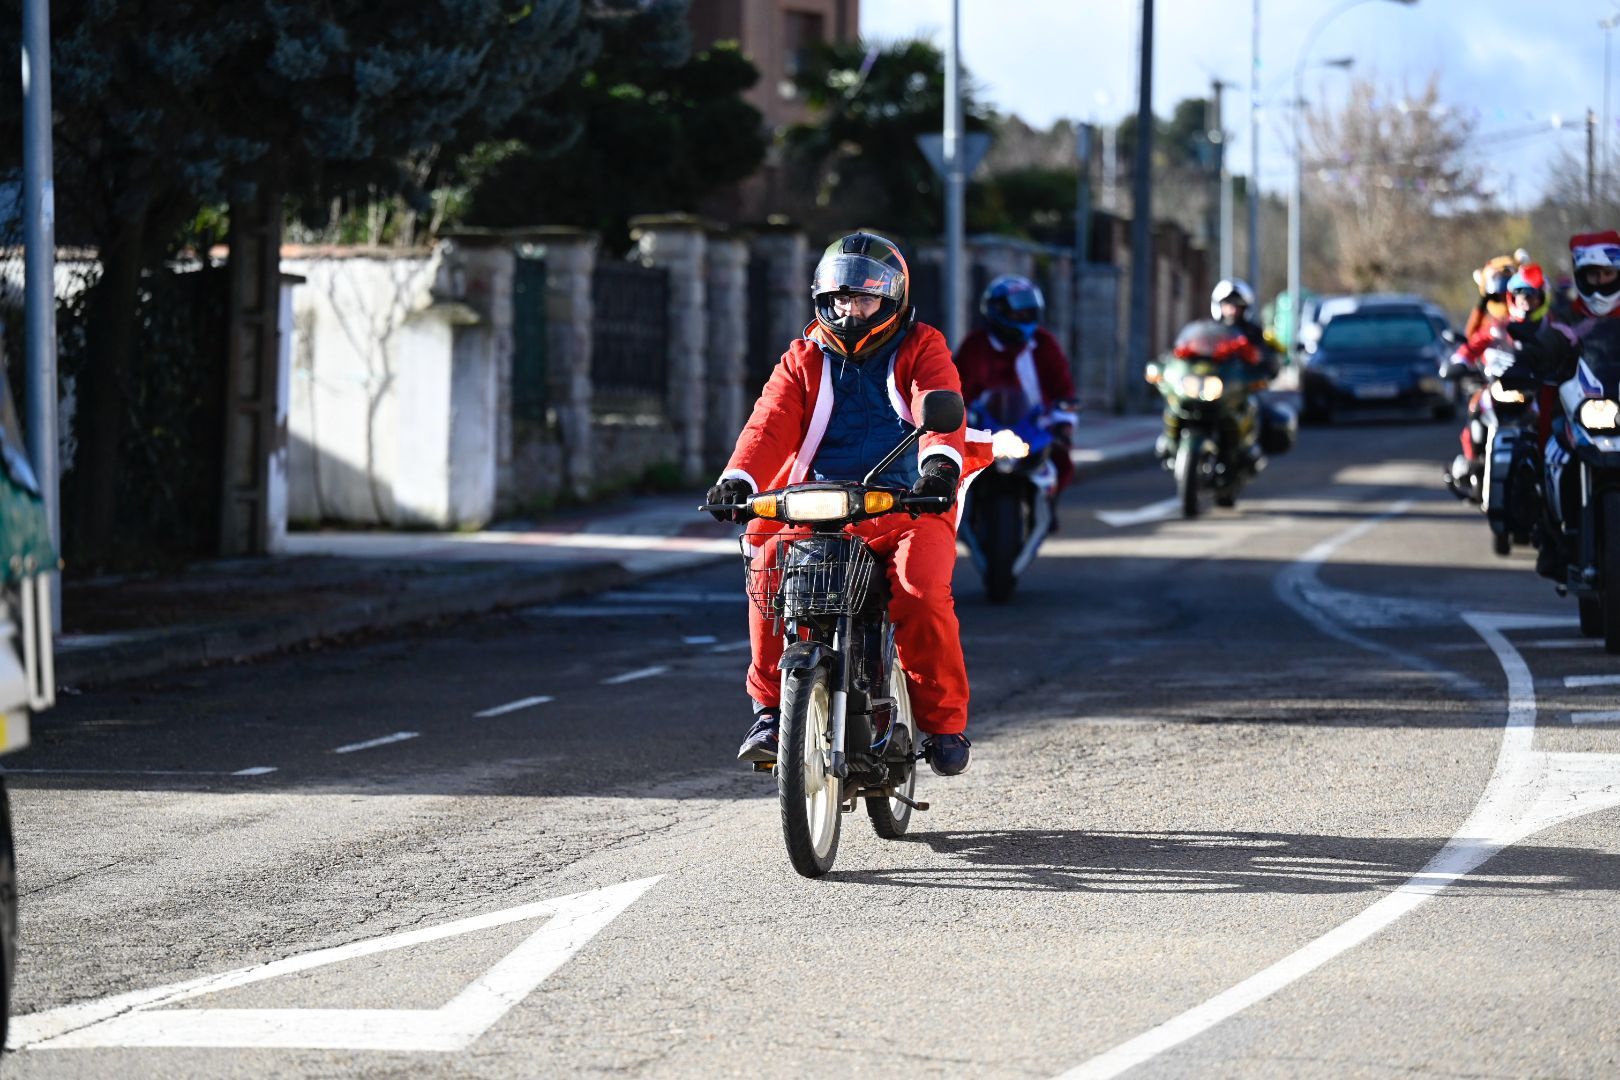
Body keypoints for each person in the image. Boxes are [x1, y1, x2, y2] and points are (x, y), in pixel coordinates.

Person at [705, 232, 979, 777]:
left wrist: (941, 466)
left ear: (893, 298)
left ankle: (944, 725)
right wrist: (737, 478)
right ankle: (767, 711)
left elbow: (937, 401)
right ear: (822, 299)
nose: (849, 310)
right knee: (766, 566)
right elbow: (770, 422)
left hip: (909, 505)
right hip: (818, 505)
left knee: (922, 593)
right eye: (839, 298)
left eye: (864, 298)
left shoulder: (922, 345)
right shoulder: (803, 356)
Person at [1516, 232, 1620, 581]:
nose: (1601, 282)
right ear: (1580, 276)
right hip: (1584, 407)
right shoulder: (1568, 316)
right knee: (1548, 443)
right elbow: (1549, 342)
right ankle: (1553, 534)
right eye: (1593, 275)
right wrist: (1522, 365)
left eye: (1608, 274)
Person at [954, 274, 1079, 497]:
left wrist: (1063, 424)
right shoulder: (974, 345)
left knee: (1061, 463)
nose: (1024, 317)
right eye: (1017, 312)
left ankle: (1047, 511)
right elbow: (954, 387)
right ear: (996, 311)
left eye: (1028, 312)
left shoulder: (1045, 344)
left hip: (1033, 424)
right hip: (984, 428)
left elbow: (1063, 387)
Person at [1210, 278, 1282, 378]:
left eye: (1237, 305)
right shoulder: (1211, 331)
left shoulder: (1253, 332)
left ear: (1244, 308)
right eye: (1228, 304)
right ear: (1219, 305)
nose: (1233, 310)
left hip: (1245, 385)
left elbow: (1266, 361)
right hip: (1215, 383)